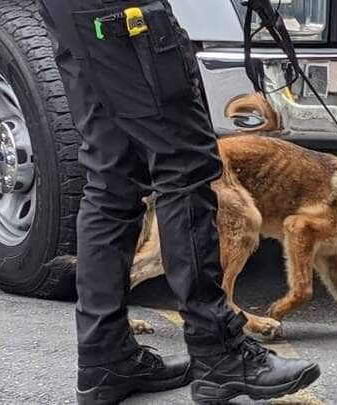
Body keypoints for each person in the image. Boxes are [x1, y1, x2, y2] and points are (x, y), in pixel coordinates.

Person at [37, 0, 321, 403]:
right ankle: (219, 351)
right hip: (119, 12)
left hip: (78, 14)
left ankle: (105, 356)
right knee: (185, 168)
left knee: (113, 175)